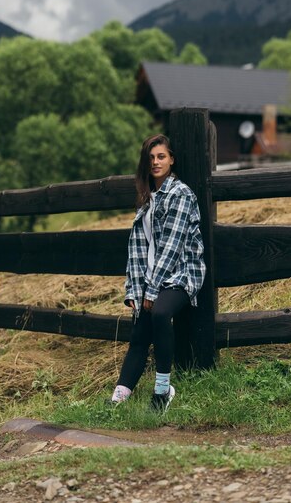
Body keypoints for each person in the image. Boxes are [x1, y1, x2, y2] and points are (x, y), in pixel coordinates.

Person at [110, 133, 206, 411]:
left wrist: (151, 292)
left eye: (161, 156)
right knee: (141, 328)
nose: (155, 162)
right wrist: (134, 290)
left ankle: (163, 390)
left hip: (181, 273)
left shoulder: (181, 194)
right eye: (151, 158)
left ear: (171, 159)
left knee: (160, 313)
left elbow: (172, 248)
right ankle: (118, 398)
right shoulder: (146, 200)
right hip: (152, 277)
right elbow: (137, 251)